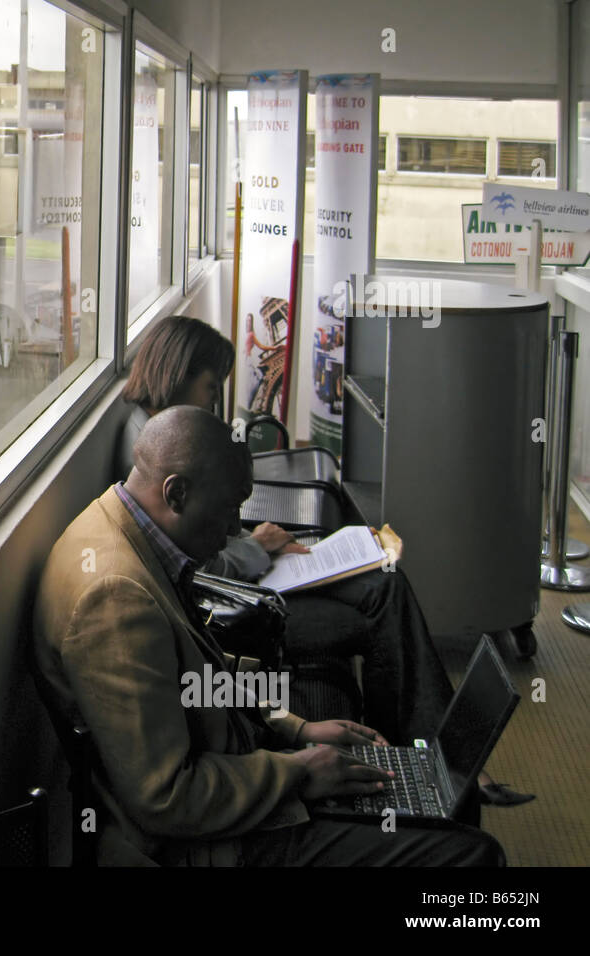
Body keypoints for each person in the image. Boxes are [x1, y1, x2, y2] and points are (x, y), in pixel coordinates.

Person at [33, 406, 505, 865]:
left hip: (231, 786)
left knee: (435, 805)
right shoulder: (116, 598)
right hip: (203, 842)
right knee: (472, 852)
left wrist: (296, 728)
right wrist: (298, 772)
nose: (232, 534)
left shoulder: (122, 531)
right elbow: (166, 798)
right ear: (176, 495)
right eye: (227, 512)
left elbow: (197, 681)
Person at [115, 315, 532, 806]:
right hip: (237, 607)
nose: (212, 401)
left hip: (252, 578)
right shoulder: (146, 447)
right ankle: (430, 761)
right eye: (210, 387)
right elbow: (198, 571)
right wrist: (257, 548)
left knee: (385, 583)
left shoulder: (156, 431)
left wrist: (256, 541)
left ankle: (435, 756)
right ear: (178, 373)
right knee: (374, 616)